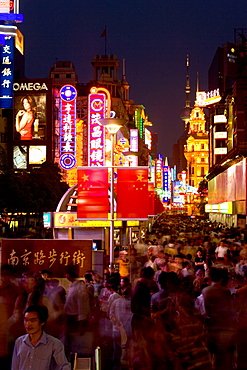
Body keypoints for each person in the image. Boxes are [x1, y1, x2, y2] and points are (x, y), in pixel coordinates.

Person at [11, 304, 71, 370]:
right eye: (26, 320)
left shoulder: (54, 344)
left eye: (32, 321)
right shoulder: (19, 342)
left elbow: (65, 366)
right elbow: (14, 367)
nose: (28, 324)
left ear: (42, 322)